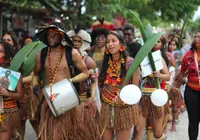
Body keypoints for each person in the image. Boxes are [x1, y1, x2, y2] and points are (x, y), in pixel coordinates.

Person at [34, 22, 90, 140]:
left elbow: (85, 73)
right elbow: (36, 74)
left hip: (68, 100)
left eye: (55, 35)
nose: (52, 38)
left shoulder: (72, 53)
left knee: (68, 134)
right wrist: (35, 88)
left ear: (62, 36)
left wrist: (69, 81)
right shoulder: (41, 54)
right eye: (49, 35)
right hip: (49, 100)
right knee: (49, 135)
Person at [98, 30, 139, 140]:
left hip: (124, 108)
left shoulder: (131, 63)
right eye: (108, 42)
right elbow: (100, 84)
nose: (110, 44)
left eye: (113, 41)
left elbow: (136, 90)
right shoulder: (104, 63)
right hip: (106, 106)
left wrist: (124, 99)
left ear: (121, 43)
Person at [132, 36, 170, 140]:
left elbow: (167, 76)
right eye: (153, 42)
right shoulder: (142, 57)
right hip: (143, 97)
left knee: (157, 132)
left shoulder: (160, 58)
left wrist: (159, 75)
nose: (155, 44)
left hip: (156, 97)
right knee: (138, 130)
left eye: (158, 42)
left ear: (162, 44)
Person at [67, 27, 100, 139]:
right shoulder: (64, 58)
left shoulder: (88, 61)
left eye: (78, 41)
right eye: (73, 40)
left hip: (83, 100)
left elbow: (94, 81)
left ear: (83, 43)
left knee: (84, 133)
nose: (75, 43)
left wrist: (91, 97)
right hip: (67, 100)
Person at [175, 31, 200, 140]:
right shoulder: (188, 55)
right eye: (195, 36)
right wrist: (175, 89)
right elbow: (182, 73)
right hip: (191, 92)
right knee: (193, 121)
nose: (196, 39)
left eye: (199, 37)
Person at [0, 41, 23, 140]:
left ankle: (14, 136)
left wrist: (8, 93)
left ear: (7, 54)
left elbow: (20, 95)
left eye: (1, 51)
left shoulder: (13, 73)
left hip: (7, 112)